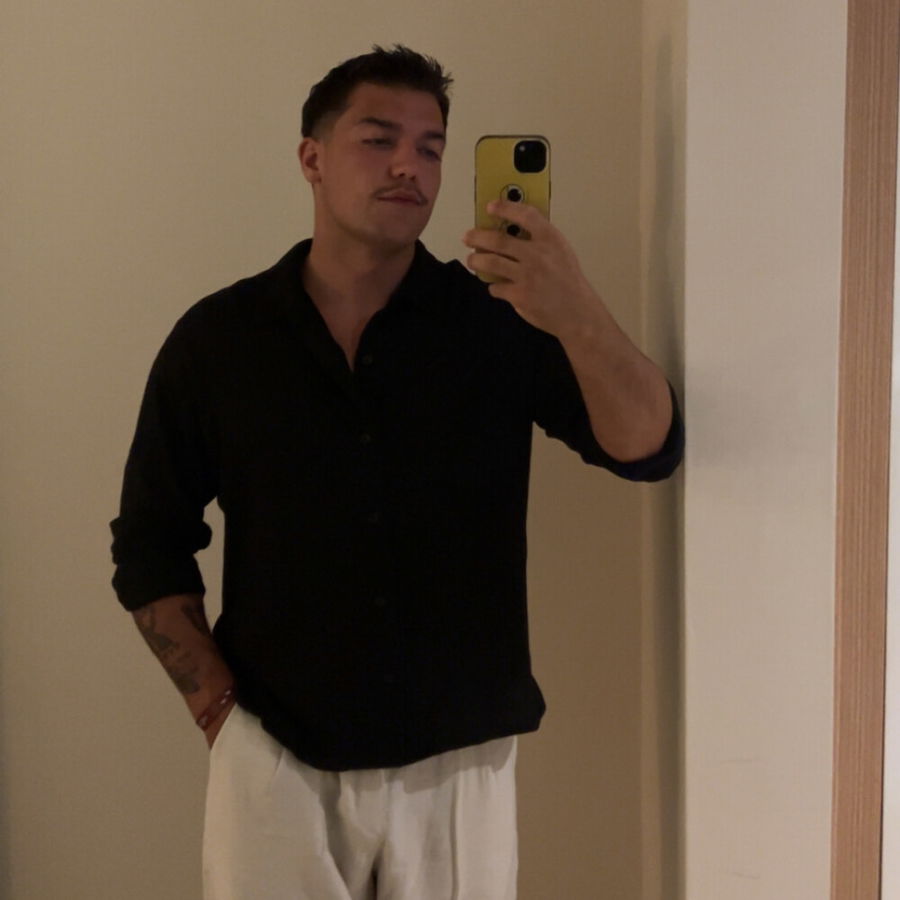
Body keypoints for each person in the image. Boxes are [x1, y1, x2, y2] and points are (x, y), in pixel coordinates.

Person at [110, 43, 684, 900]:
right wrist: (221, 717)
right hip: (274, 750)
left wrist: (576, 310)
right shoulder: (220, 341)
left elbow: (648, 447)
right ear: (312, 158)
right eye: (379, 139)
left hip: (460, 763)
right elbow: (149, 545)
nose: (409, 165)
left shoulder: (497, 324)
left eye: (431, 147)